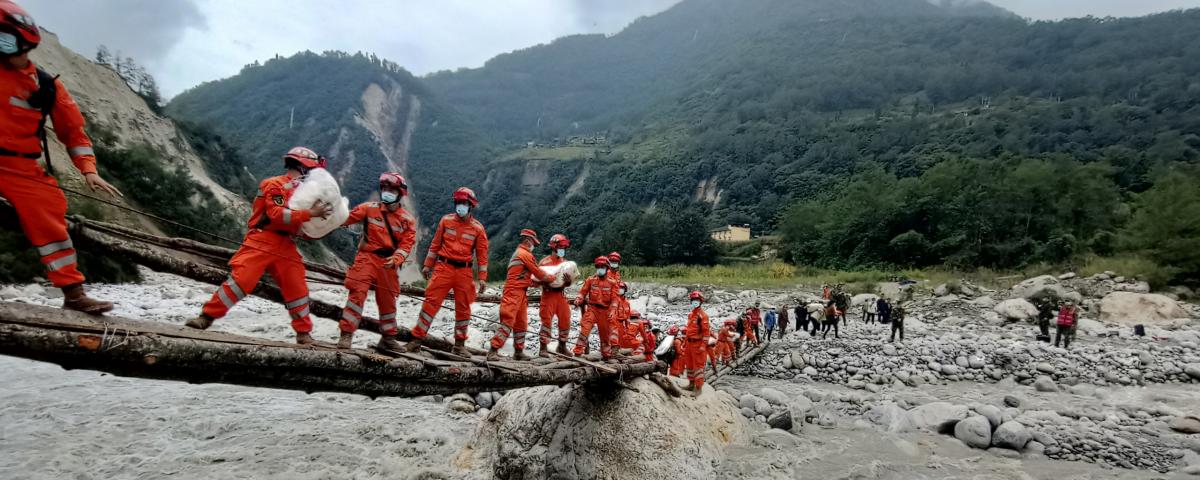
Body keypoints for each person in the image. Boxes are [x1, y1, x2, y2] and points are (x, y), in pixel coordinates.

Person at [0, 1, 124, 314]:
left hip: (18, 166)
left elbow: (74, 134)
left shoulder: (46, 86)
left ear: (22, 38)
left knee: (49, 217)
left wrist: (88, 170)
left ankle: (73, 292)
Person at [189, 147, 332, 344]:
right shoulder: (274, 185)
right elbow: (277, 214)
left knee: (297, 287)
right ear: (303, 167)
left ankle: (303, 333)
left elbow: (299, 225)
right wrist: (312, 214)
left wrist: (316, 227)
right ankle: (206, 317)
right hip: (263, 239)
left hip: (286, 244)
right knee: (242, 279)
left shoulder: (302, 193)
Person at [403, 187, 488, 356]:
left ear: (470, 205)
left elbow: (482, 255)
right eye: (458, 203)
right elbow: (435, 245)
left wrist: (483, 278)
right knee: (430, 304)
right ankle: (416, 341)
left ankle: (459, 346)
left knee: (463, 309)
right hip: (443, 268)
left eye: (464, 203)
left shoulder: (478, 229)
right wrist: (428, 265)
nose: (460, 206)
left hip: (464, 272)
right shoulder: (446, 221)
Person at [336, 172, 416, 350]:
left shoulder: (407, 220)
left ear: (400, 193)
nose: (386, 192)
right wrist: (331, 211)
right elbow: (345, 218)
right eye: (385, 188)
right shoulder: (368, 208)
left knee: (388, 301)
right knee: (357, 293)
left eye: (391, 189)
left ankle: (388, 338)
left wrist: (396, 259)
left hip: (388, 262)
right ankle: (346, 334)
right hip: (367, 258)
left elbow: (406, 244)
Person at [488, 229, 554, 361]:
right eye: (534, 243)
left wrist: (536, 283)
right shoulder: (524, 254)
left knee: (521, 323)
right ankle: (493, 351)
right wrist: (552, 278)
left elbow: (523, 277)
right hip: (513, 292)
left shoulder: (520, 254)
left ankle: (518, 351)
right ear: (528, 241)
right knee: (508, 322)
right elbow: (539, 272)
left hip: (521, 292)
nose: (534, 246)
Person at [573, 256, 618, 360]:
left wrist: (613, 310)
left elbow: (615, 299)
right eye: (598, 267)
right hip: (592, 309)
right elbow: (582, 293)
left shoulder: (612, 282)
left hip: (605, 311)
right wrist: (578, 300)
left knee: (605, 335)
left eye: (602, 267)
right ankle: (577, 353)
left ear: (607, 268)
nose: (600, 269)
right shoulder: (590, 280)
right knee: (585, 330)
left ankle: (606, 356)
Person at [538, 234, 573, 355]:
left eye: (564, 249)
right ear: (554, 248)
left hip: (561, 294)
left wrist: (568, 282)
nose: (563, 251)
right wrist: (546, 282)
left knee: (565, 319)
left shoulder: (566, 263)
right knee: (546, 321)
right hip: (548, 295)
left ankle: (562, 346)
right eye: (561, 248)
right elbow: (538, 279)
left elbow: (568, 282)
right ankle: (543, 348)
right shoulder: (544, 262)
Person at [683, 291, 711, 395]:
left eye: (697, 300)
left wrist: (703, 346)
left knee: (698, 367)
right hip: (689, 344)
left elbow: (706, 332)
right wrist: (685, 343)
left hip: (698, 344)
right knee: (689, 365)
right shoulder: (691, 315)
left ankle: (698, 388)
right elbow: (689, 330)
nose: (695, 302)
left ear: (700, 301)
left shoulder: (703, 316)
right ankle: (691, 384)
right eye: (693, 300)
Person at [607, 281, 632, 354]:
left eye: (622, 288)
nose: (620, 290)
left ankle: (619, 356)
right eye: (618, 288)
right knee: (613, 342)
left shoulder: (627, 303)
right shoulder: (613, 301)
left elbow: (628, 317)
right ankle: (610, 355)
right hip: (614, 323)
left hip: (622, 325)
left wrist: (628, 328)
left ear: (625, 290)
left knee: (622, 344)